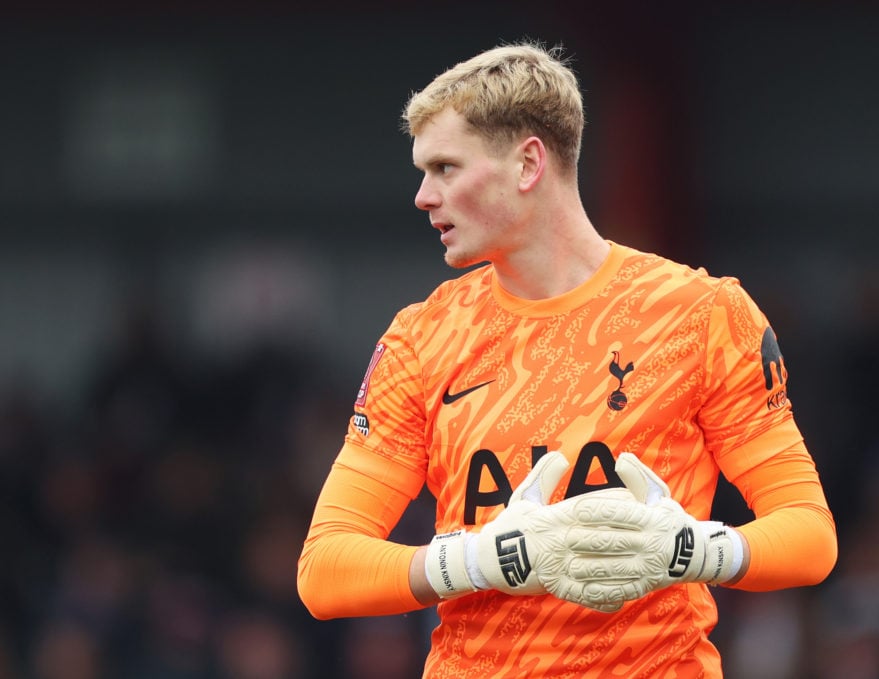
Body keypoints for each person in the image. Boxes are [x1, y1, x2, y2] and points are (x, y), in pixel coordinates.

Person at [297, 41, 837, 678]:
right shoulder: (420, 338)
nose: (422, 195)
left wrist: (693, 550)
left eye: (445, 168)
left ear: (528, 163)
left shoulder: (703, 315)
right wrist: (478, 561)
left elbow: (810, 536)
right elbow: (325, 569)